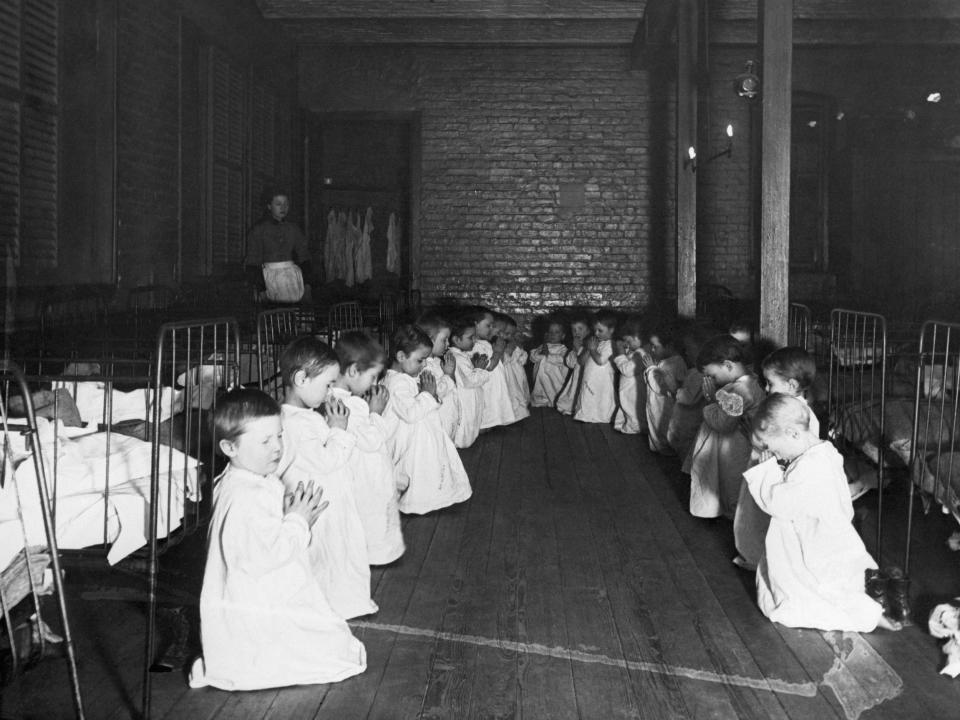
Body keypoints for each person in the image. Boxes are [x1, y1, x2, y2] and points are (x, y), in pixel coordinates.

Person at [188, 389, 366, 691]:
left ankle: (226, 661)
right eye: (265, 441)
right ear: (229, 447)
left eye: (279, 436)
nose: (277, 448)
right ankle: (235, 665)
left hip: (254, 594)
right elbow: (265, 557)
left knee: (334, 639)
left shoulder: (245, 479)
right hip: (256, 602)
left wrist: (287, 514)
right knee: (336, 649)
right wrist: (298, 521)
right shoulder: (246, 495)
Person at [745, 394, 901, 632]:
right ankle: (878, 601)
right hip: (833, 530)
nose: (775, 455)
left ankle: (869, 615)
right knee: (839, 576)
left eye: (774, 448)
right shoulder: (826, 452)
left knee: (812, 585)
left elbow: (778, 504)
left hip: (810, 537)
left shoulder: (808, 469)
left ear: (794, 434)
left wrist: (767, 471)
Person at [278, 336, 378, 620]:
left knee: (340, 555)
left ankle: (343, 603)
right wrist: (339, 429)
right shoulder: (294, 424)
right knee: (327, 559)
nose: (331, 390)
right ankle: (331, 607)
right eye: (328, 384)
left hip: (329, 500)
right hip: (318, 507)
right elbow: (327, 460)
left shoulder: (306, 415)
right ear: (301, 379)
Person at [733, 346, 819, 570]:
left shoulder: (802, 416)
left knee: (766, 518)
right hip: (763, 466)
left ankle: (762, 558)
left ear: (791, 385)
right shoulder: (781, 406)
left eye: (771, 383)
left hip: (778, 478)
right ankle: (755, 554)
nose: (767, 388)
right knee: (753, 513)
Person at [330, 332, 405, 566]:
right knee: (371, 513)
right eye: (372, 377)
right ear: (353, 371)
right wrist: (376, 412)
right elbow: (371, 441)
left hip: (363, 467)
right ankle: (374, 555)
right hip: (363, 473)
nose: (374, 384)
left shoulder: (344, 398)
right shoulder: (348, 404)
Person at [382, 324, 473, 514]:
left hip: (421, 435)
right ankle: (418, 501)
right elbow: (411, 413)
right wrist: (427, 395)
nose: (424, 364)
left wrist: (446, 377)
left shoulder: (407, 376)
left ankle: (432, 497)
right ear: (400, 357)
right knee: (418, 468)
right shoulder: (397, 383)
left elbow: (430, 396)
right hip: (410, 441)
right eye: (420, 360)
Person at [684, 334, 765, 519]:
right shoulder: (747, 381)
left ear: (728, 365)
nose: (711, 381)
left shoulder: (740, 390)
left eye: (712, 376)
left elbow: (723, 423)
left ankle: (735, 522)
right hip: (733, 443)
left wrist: (711, 400)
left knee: (731, 483)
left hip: (735, 446)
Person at [244, 188, 312, 303]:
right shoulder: (259, 230)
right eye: (278, 204)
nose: (283, 208)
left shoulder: (294, 229)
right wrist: (262, 290)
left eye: (286, 204)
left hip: (293, 280)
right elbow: (253, 262)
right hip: (268, 280)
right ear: (269, 206)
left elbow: (304, 257)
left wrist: (308, 285)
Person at [643, 322, 688, 453]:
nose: (652, 350)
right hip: (656, 402)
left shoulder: (676, 363)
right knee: (655, 424)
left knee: (662, 426)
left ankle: (665, 450)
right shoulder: (664, 361)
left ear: (669, 346)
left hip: (665, 404)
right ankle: (658, 447)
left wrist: (651, 368)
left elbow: (661, 386)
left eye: (655, 346)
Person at [447, 316, 490, 448]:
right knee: (466, 422)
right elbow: (470, 381)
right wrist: (479, 369)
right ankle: (460, 444)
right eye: (470, 337)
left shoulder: (461, 355)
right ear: (456, 339)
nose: (474, 340)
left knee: (472, 420)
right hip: (465, 398)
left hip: (470, 397)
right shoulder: (457, 357)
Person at [417, 311, 460, 441]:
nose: (448, 344)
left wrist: (450, 374)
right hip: (439, 419)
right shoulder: (424, 367)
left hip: (448, 415)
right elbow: (435, 392)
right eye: (444, 340)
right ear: (429, 340)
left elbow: (451, 386)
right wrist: (448, 374)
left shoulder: (436, 362)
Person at [473, 308, 516, 429]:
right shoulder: (476, 345)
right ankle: (484, 425)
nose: (492, 330)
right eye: (489, 326)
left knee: (494, 402)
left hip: (494, 383)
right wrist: (498, 351)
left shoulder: (486, 343)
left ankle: (493, 422)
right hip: (486, 383)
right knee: (486, 403)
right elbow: (490, 366)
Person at [574, 310, 618, 423]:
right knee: (587, 395)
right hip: (590, 376)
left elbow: (600, 360)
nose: (596, 333)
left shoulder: (611, 344)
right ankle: (586, 414)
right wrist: (588, 349)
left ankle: (602, 416)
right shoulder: (595, 342)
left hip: (602, 379)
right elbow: (581, 361)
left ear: (611, 330)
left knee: (601, 397)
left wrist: (593, 349)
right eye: (595, 330)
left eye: (600, 330)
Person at [612, 315, 648, 435]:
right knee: (626, 406)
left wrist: (620, 354)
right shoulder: (635, 351)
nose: (627, 344)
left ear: (638, 338)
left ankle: (635, 428)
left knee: (633, 409)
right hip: (628, 388)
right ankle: (623, 423)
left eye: (629, 341)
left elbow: (628, 370)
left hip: (634, 390)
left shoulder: (641, 354)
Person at [496, 313, 531, 422]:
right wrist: (508, 352)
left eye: (512, 334)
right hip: (506, 375)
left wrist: (518, 350)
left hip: (515, 375)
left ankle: (517, 414)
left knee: (517, 394)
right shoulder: (497, 346)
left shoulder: (513, 344)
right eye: (506, 333)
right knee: (510, 395)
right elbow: (502, 361)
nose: (509, 337)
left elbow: (523, 360)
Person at [556, 313, 591, 415]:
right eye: (574, 330)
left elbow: (585, 362)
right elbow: (570, 364)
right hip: (576, 377)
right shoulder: (574, 346)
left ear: (588, 331)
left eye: (580, 329)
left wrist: (578, 349)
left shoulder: (590, 346)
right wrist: (575, 350)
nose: (576, 332)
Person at [529, 318, 568, 408]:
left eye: (556, 332)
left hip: (554, 378)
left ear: (563, 336)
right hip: (540, 378)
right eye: (550, 332)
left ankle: (555, 400)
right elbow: (533, 358)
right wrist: (541, 353)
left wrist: (548, 356)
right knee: (540, 392)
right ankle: (541, 399)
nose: (553, 335)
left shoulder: (563, 349)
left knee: (554, 392)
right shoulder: (542, 346)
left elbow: (562, 360)